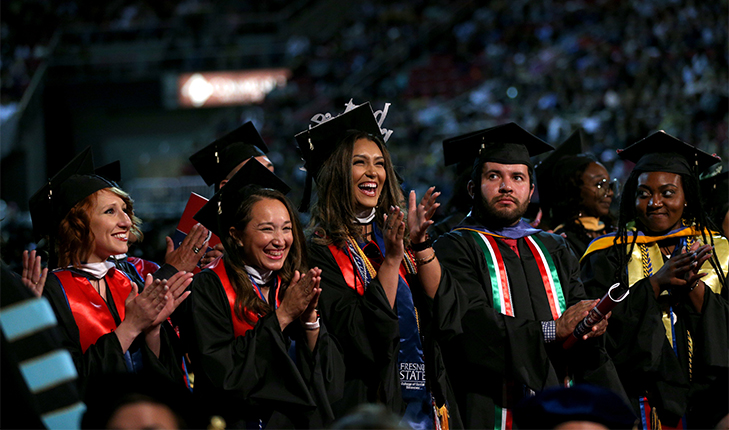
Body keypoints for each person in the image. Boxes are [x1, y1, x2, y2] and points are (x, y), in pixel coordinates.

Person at [432, 122, 626, 429]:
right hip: (491, 403)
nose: (507, 186)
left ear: (530, 190)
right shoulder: (454, 246)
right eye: (494, 176)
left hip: (561, 400)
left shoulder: (554, 245)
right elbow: (471, 323)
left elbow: (575, 308)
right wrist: (551, 330)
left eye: (517, 177)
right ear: (472, 188)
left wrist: (591, 321)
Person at [296, 101, 457, 429]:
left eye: (380, 163)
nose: (373, 173)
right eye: (360, 163)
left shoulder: (397, 237)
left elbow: (447, 314)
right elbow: (356, 335)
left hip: (427, 398)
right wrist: (393, 260)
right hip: (364, 402)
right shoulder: (317, 254)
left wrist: (421, 244)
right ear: (338, 173)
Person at [580, 131, 728, 429]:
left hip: (711, 402)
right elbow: (596, 330)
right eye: (644, 193)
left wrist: (694, 288)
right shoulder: (608, 253)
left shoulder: (719, 250)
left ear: (687, 197)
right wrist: (655, 284)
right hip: (638, 402)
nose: (655, 202)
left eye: (668, 193)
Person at [188, 158, 344, 428]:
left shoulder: (293, 282)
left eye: (286, 228)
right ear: (236, 235)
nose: (279, 240)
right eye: (266, 229)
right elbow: (224, 376)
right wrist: (283, 315)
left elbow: (329, 383)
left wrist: (309, 321)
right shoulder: (210, 285)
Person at [27, 148, 193, 398]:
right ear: (77, 225)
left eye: (125, 210)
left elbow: (166, 375)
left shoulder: (131, 277)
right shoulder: (52, 290)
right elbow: (71, 382)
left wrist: (153, 330)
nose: (126, 221)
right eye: (110, 211)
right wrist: (132, 326)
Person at [189, 121, 274, 267]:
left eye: (271, 172)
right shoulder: (203, 240)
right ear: (225, 186)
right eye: (257, 172)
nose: (270, 182)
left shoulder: (287, 229)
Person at [535, 129, 618, 257]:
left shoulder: (613, 231)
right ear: (574, 190)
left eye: (610, 185)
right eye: (600, 184)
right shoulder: (563, 241)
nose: (610, 193)